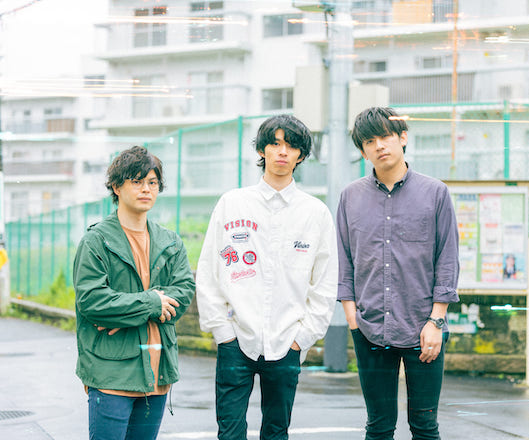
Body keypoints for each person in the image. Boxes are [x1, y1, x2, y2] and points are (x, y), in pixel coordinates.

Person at [196, 114, 338, 440]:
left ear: (301, 155)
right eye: (274, 143)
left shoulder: (315, 213)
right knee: (229, 433)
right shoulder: (233, 203)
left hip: (287, 341)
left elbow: (325, 284)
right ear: (262, 150)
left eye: (291, 145)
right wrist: (222, 332)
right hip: (235, 338)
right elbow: (209, 271)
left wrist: (302, 339)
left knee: (276, 432)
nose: (282, 151)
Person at [336, 107, 460, 440]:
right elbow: (344, 259)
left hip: (424, 326)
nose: (379, 146)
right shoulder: (350, 197)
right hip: (369, 326)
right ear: (363, 150)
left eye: (385, 136)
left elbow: (447, 259)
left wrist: (436, 321)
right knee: (378, 426)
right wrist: (352, 318)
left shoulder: (435, 193)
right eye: (369, 141)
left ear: (402, 138)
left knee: (425, 426)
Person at [73, 146, 195, 440]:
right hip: (111, 373)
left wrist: (126, 311)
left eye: (152, 182)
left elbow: (183, 292)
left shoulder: (170, 241)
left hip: (157, 372)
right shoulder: (96, 241)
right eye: (137, 181)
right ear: (116, 187)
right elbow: (92, 300)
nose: (146, 189)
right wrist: (152, 303)